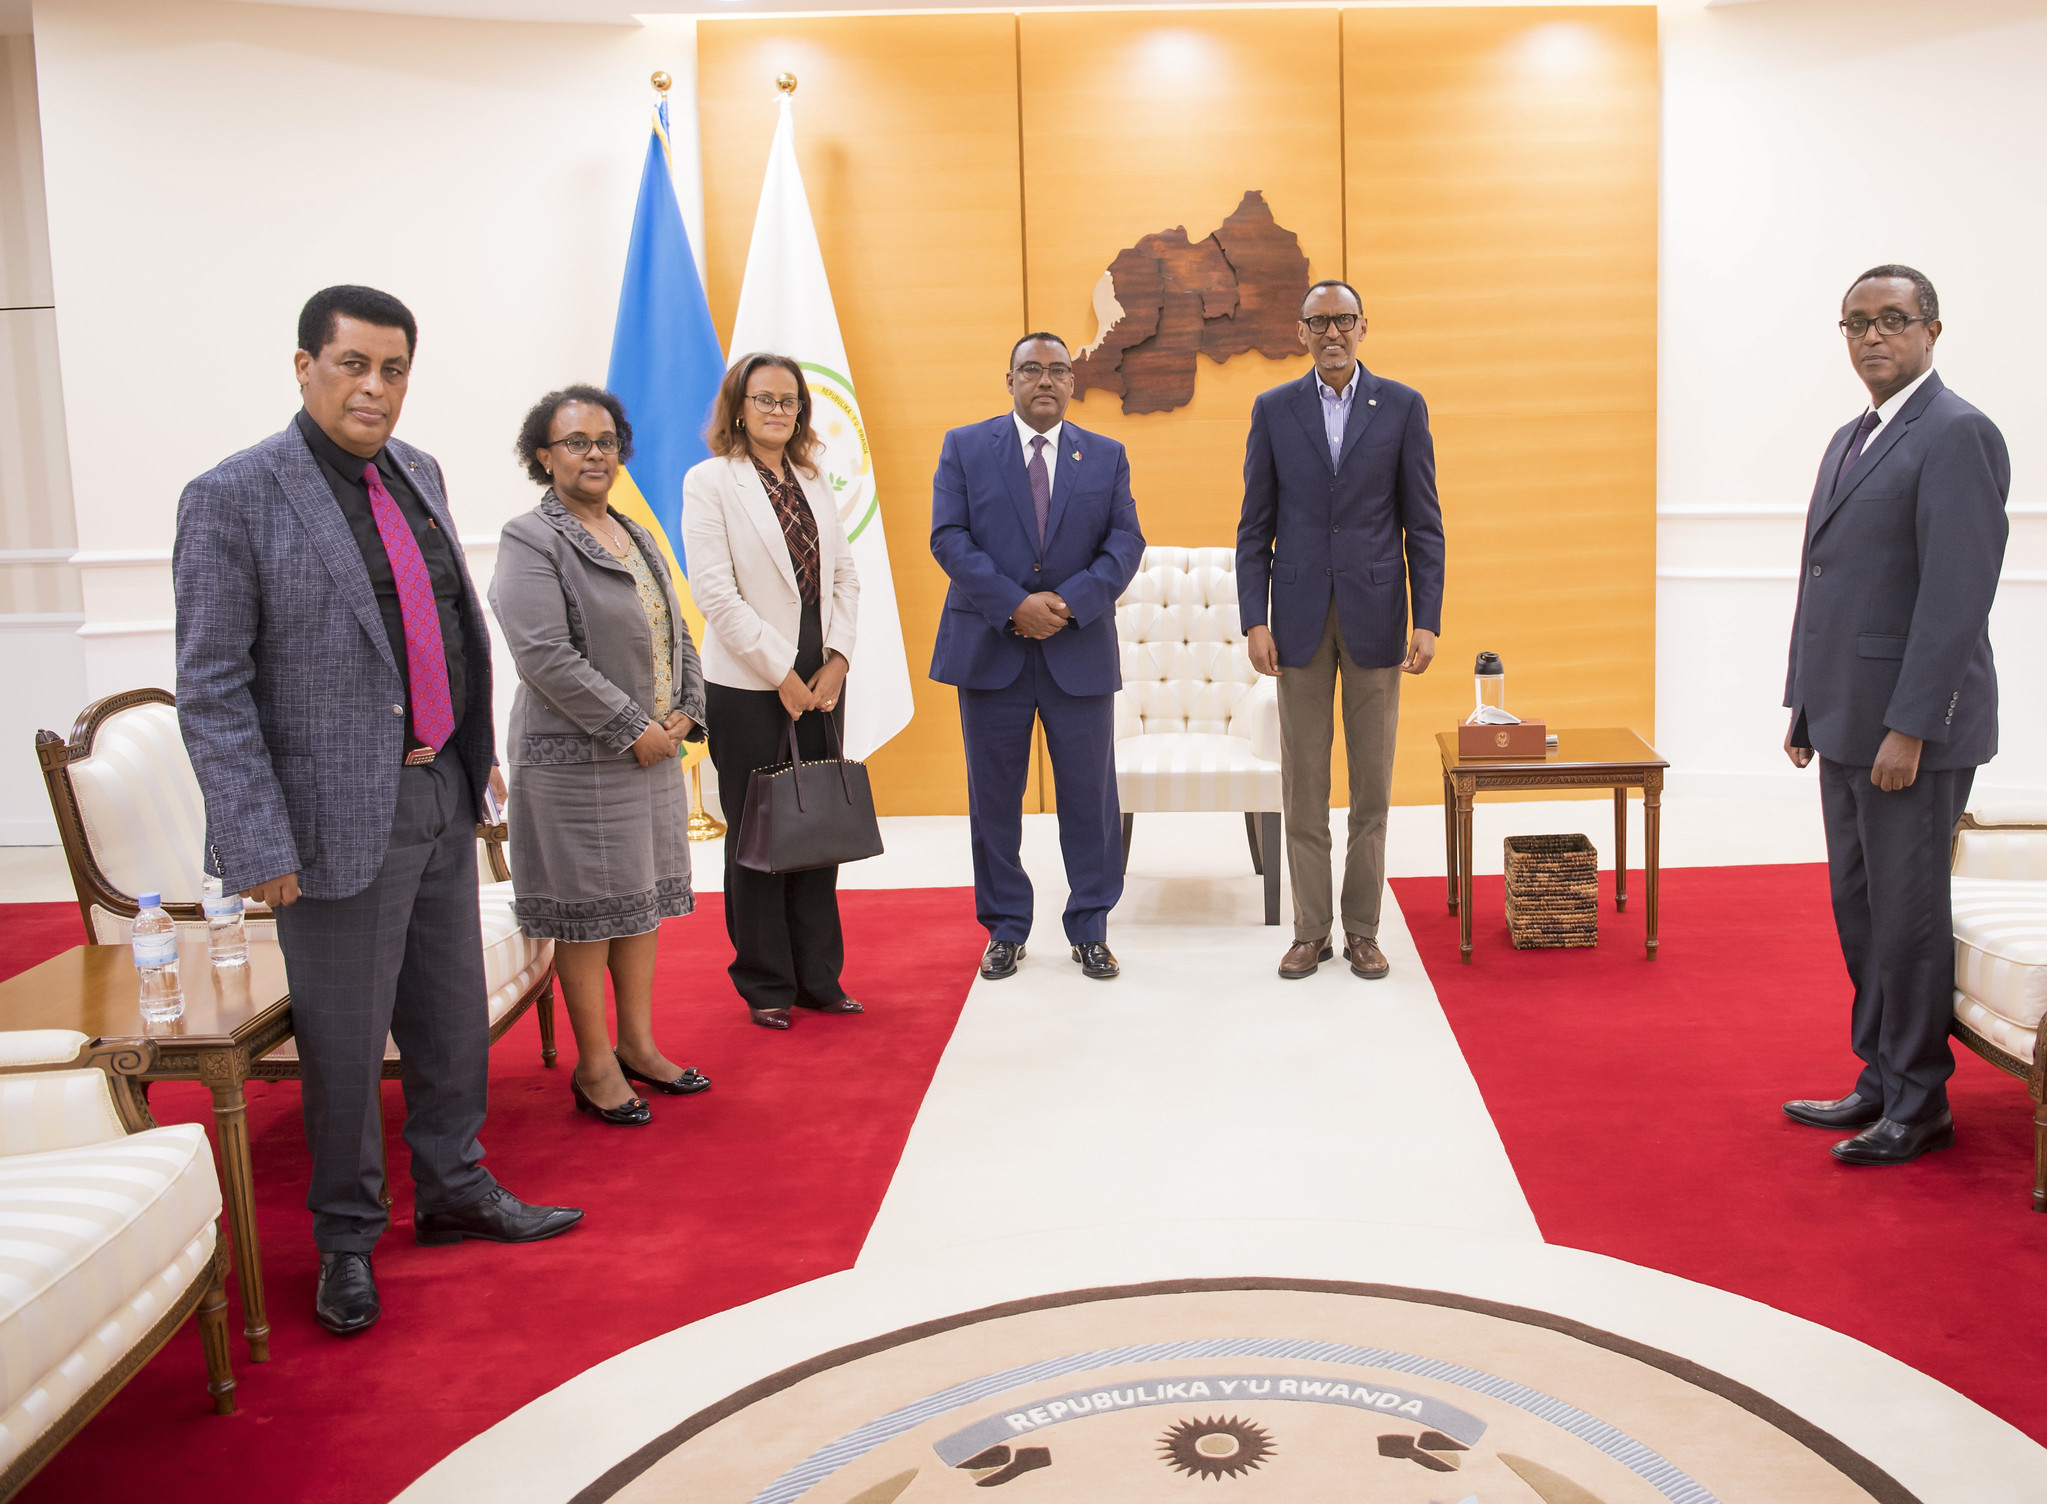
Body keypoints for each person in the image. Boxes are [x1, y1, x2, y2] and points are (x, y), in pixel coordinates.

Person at [173, 286, 582, 1339]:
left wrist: (471, 759)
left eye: (393, 369)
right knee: (348, 1050)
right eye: (353, 364)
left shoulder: (420, 473)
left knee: (447, 1020)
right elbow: (214, 687)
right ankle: (346, 1239)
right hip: (326, 824)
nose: (375, 388)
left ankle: (454, 1187)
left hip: (439, 789)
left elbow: (448, 623)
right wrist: (257, 837)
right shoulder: (233, 495)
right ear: (304, 365)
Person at [1781, 264, 2009, 1166]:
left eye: (1890, 320)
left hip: (1910, 732)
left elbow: (1957, 597)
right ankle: (1879, 1075)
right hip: (1842, 718)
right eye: (1854, 324)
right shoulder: (1850, 436)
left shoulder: (1956, 434)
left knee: (1908, 918)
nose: (1871, 336)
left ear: (1931, 330)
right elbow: (1823, 579)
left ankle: (1919, 1103)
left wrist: (1910, 726)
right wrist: (1803, 700)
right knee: (1860, 909)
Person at [490, 385, 712, 1126]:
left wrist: (685, 709)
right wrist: (632, 727)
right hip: (576, 764)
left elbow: (674, 627)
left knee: (639, 905)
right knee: (588, 914)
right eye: (577, 442)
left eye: (606, 440)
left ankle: (639, 1046)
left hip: (649, 757)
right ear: (542, 456)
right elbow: (543, 656)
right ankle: (593, 1065)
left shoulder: (633, 532)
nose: (595, 453)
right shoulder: (531, 538)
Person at [1235, 279, 1444, 982]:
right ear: (1299, 332)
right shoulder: (1272, 410)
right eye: (1318, 322)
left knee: (1371, 787)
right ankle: (1308, 931)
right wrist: (1253, 618)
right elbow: (1253, 528)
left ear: (1362, 328)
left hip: (1378, 618)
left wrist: (1428, 618)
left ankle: (1361, 929)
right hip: (1293, 623)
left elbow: (1424, 525)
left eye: (1343, 321)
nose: (1332, 333)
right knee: (1303, 784)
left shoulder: (1402, 407)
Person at [930, 333, 1145, 982]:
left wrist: (1068, 602)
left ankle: (1090, 926)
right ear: (1010, 380)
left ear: (1072, 383)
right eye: (1031, 369)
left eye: (1057, 370)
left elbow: (1125, 542)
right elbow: (949, 537)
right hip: (989, 650)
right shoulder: (965, 447)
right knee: (993, 799)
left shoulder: (1104, 456)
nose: (1044, 380)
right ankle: (1003, 929)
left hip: (1075, 651)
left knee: (1089, 799)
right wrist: (1013, 604)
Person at [682, 353, 862, 1029]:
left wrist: (838, 659)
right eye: (764, 400)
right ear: (737, 407)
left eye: (788, 401)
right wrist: (777, 674)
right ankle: (765, 982)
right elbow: (714, 593)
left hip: (820, 681)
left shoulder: (813, 479)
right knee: (758, 836)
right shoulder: (710, 482)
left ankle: (819, 977)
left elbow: (845, 577)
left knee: (817, 826)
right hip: (749, 686)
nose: (777, 411)